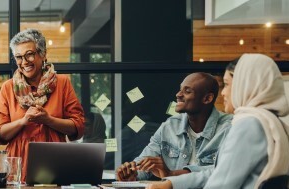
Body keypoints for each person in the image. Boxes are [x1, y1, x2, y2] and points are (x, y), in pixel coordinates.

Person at [147, 54, 289, 189]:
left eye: (227, 84)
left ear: (245, 84)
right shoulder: (273, 123)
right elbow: (219, 172)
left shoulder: (249, 125)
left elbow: (220, 184)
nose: (223, 93)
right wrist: (173, 183)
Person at [0, 28, 85, 181]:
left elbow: (78, 127)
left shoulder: (62, 83)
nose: (24, 62)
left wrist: (48, 120)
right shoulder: (8, 88)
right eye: (19, 57)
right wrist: (23, 121)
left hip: (55, 166)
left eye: (29, 54)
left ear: (43, 54)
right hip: (16, 172)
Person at [116, 72, 232, 181]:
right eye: (180, 89)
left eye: (187, 91)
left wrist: (171, 174)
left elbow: (224, 171)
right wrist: (133, 172)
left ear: (207, 98)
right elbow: (145, 161)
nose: (178, 94)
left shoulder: (229, 128)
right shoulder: (169, 126)